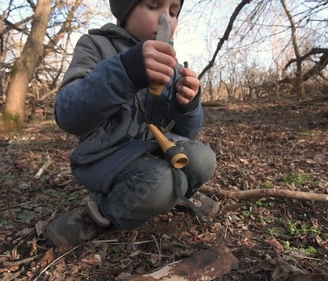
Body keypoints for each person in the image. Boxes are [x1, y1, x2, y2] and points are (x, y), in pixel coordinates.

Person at [46, 0, 218, 247]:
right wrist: (126, 71)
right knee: (157, 183)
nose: (165, 20)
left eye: (173, 12)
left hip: (156, 150)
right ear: (124, 10)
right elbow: (68, 113)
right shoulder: (95, 45)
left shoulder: (172, 64)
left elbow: (187, 133)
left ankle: (181, 193)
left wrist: (187, 105)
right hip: (107, 158)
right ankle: (100, 213)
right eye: (153, 5)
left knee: (203, 159)